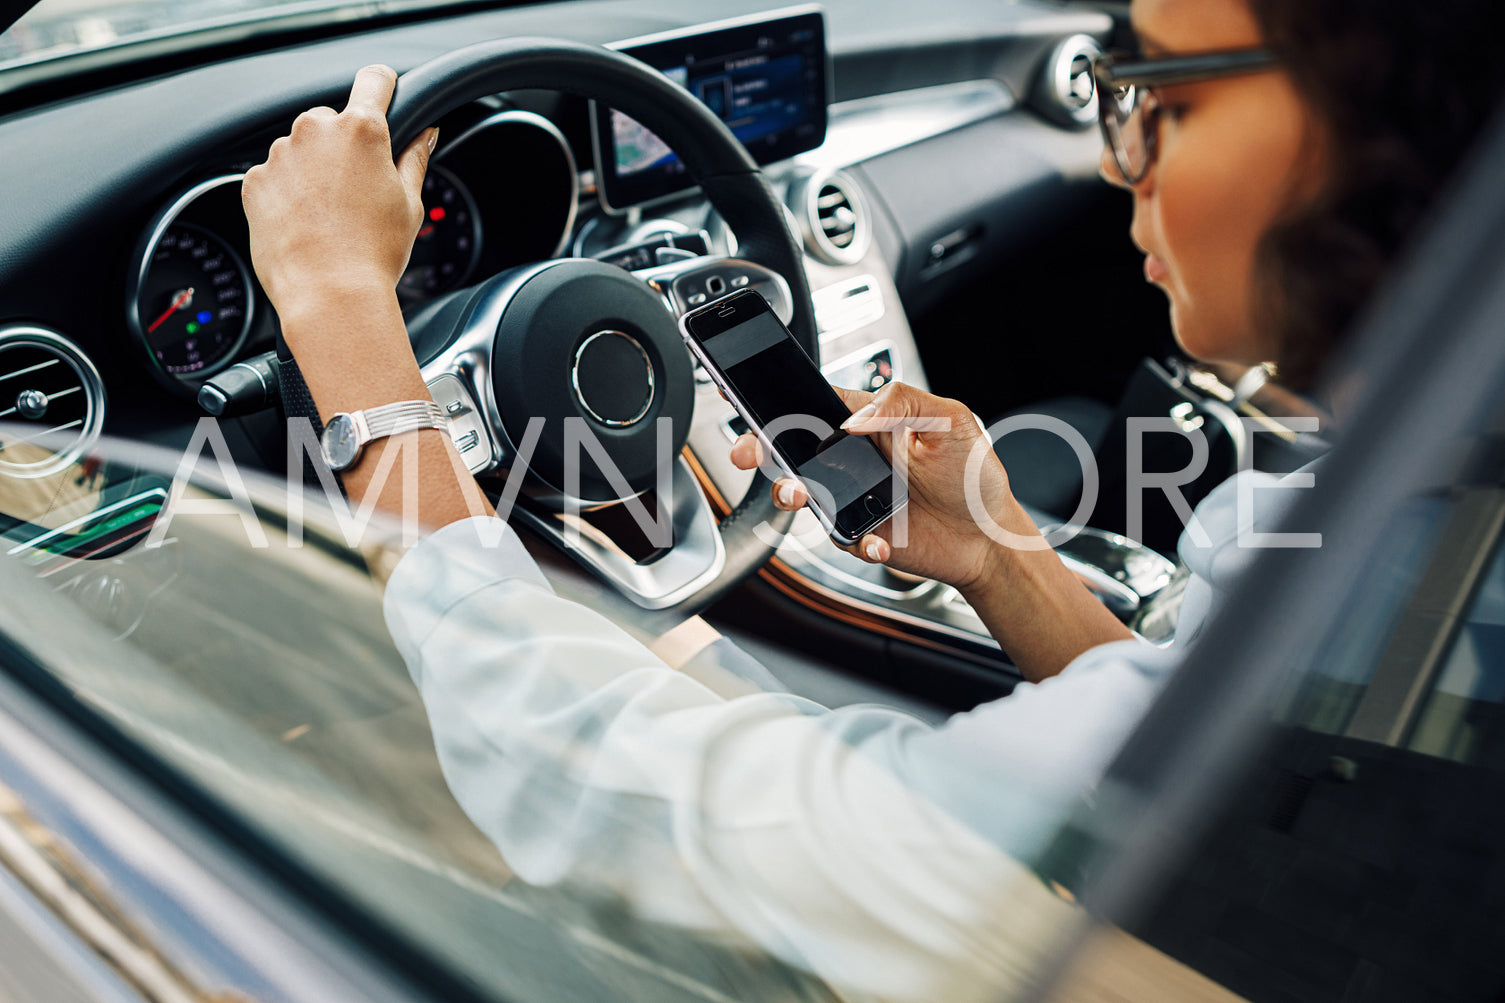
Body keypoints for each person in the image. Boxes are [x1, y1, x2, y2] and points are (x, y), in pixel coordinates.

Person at [239, 0, 1503, 999]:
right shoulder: (1416, 535)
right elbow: (1215, 787)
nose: (1123, 161)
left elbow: (625, 804)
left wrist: (344, 321)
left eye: (1159, 91)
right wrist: (1005, 559)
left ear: (1398, 119)